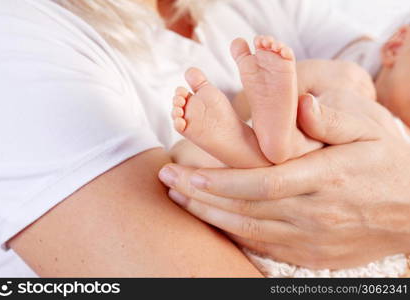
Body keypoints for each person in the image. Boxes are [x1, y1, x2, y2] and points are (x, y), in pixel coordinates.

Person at [0, 0, 382, 277]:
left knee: (340, 99)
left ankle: (260, 137)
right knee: (341, 91)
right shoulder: (17, 34)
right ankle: (269, 135)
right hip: (248, 220)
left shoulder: (257, 8)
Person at [166, 34, 410, 276]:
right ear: (396, 46)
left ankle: (264, 145)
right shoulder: (353, 80)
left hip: (324, 238)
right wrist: (302, 78)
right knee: (188, 157)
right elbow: (242, 107)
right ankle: (269, 141)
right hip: (281, 205)